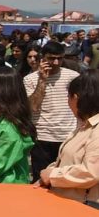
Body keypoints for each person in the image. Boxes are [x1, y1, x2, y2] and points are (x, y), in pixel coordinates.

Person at [36, 70, 99, 207]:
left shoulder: (96, 130)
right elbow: (67, 160)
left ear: (75, 98)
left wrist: (52, 175)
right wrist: (46, 175)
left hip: (86, 208)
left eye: (68, 97)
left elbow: (91, 172)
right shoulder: (85, 126)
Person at [24, 41, 81, 182]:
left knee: (66, 179)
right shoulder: (30, 79)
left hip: (68, 136)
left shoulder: (73, 76)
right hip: (42, 137)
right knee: (41, 179)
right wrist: (42, 80)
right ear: (43, 57)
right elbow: (33, 107)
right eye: (51, 58)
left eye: (60, 58)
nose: (56, 62)